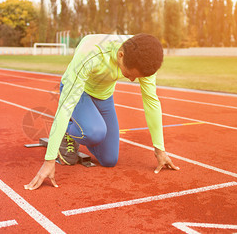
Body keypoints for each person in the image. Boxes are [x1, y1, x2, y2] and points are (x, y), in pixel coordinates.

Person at [25, 34, 179, 190]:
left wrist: (159, 149)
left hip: (104, 95)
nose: (133, 80)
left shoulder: (145, 57)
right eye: (131, 75)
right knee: (94, 132)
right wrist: (49, 160)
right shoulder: (91, 54)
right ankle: (67, 130)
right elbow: (66, 106)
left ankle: (81, 123)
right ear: (120, 55)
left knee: (109, 160)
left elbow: (151, 102)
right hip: (78, 91)